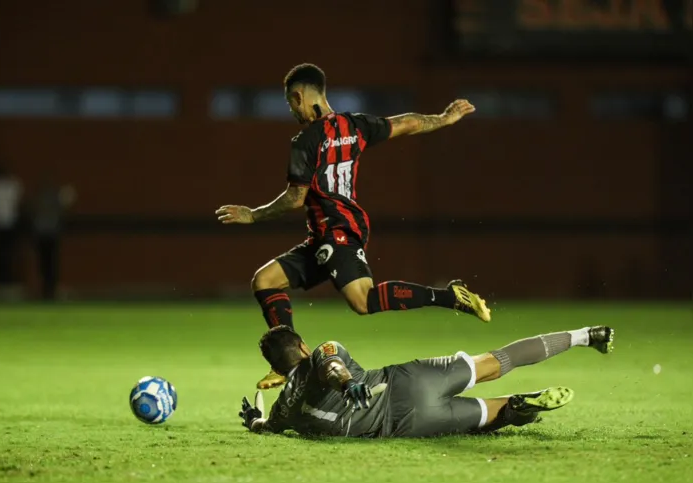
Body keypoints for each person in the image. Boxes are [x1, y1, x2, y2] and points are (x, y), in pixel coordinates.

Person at [215, 63, 489, 390]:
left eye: (291, 104)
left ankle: (450, 297)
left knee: (362, 301)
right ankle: (290, 362)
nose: (292, 111)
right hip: (325, 233)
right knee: (265, 281)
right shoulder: (356, 125)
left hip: (338, 229)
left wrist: (253, 214)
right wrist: (444, 119)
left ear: (299, 96)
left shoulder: (304, 140)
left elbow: (295, 197)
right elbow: (407, 123)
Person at [238, 325, 614, 438]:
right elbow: (332, 368)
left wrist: (255, 416)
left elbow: (264, 426)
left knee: (490, 415)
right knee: (499, 360)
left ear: (273, 366)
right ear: (302, 345)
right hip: (410, 379)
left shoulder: (283, 410)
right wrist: (348, 383)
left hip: (408, 423)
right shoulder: (324, 348)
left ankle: (518, 406)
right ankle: (586, 335)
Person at [31, 174, 76, 300]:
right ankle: (48, 289)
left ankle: (48, 289)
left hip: (46, 234)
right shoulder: (51, 199)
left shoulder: (43, 199)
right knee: (49, 263)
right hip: (47, 234)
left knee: (46, 263)